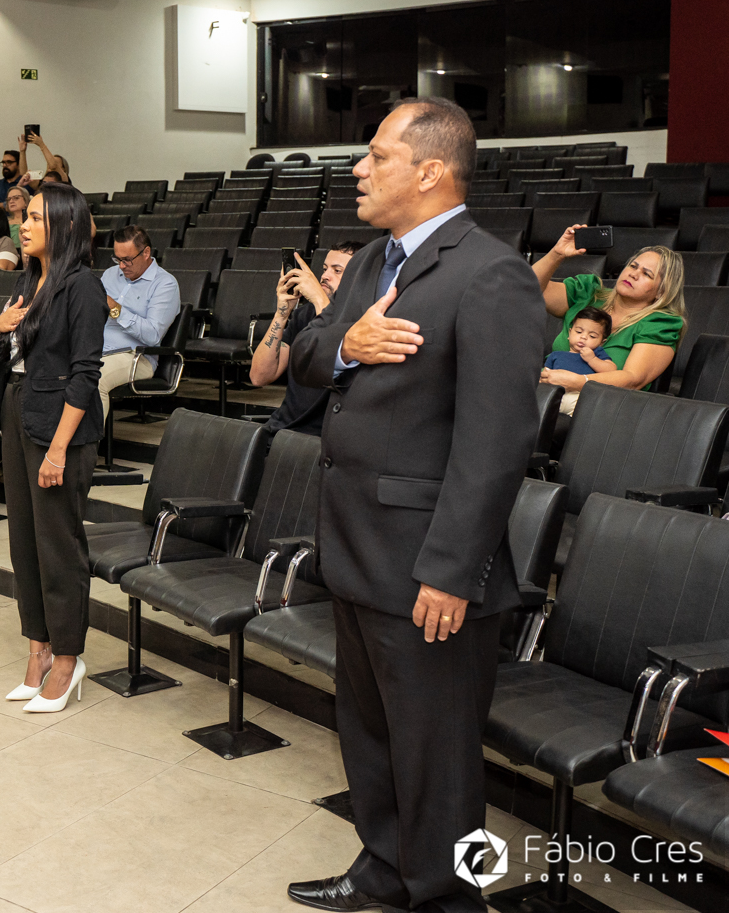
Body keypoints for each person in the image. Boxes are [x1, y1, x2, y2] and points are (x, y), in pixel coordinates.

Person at [286, 98, 543, 913]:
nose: (358, 169)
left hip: (427, 565)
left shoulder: (491, 273)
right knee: (370, 737)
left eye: (377, 156)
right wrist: (348, 345)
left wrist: (453, 571)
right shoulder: (372, 260)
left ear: (430, 171)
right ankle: (385, 872)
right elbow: (307, 352)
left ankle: (449, 901)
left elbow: (495, 442)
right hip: (356, 547)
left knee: (438, 761)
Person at [0, 183, 105, 714]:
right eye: (25, 216)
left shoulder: (83, 286)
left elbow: (85, 374)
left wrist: (58, 450)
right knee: (24, 542)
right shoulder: (26, 279)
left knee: (58, 547)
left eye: (35, 217)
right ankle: (38, 651)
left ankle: (68, 658)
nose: (24, 225)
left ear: (65, 224)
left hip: (60, 427)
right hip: (18, 411)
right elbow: (10, 351)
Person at [533, 228, 685, 398]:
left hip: (601, 405)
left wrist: (578, 382)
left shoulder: (659, 323)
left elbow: (633, 379)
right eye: (633, 266)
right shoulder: (588, 294)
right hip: (545, 391)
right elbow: (528, 289)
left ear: (661, 291)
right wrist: (557, 253)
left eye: (647, 274)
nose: (633, 274)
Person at [249, 242, 362, 436]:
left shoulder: (363, 320)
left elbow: (336, 345)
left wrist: (319, 300)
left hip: (323, 438)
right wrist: (282, 313)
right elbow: (259, 376)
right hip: (282, 429)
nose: (325, 276)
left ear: (360, 278)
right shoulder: (304, 314)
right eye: (325, 269)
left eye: (337, 271)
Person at [96, 225, 180, 420]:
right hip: (96, 348)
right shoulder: (109, 275)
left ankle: (87, 440)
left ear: (146, 253)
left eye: (127, 260)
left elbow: (152, 336)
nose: (121, 266)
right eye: (118, 259)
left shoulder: (165, 284)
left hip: (136, 357)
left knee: (94, 378)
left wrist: (116, 309)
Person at [543, 308, 618, 415]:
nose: (583, 337)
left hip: (581, 397)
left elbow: (612, 370)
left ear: (601, 342)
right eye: (578, 331)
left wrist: (592, 359)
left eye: (592, 336)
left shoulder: (596, 353)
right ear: (570, 333)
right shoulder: (556, 355)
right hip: (555, 394)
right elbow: (545, 376)